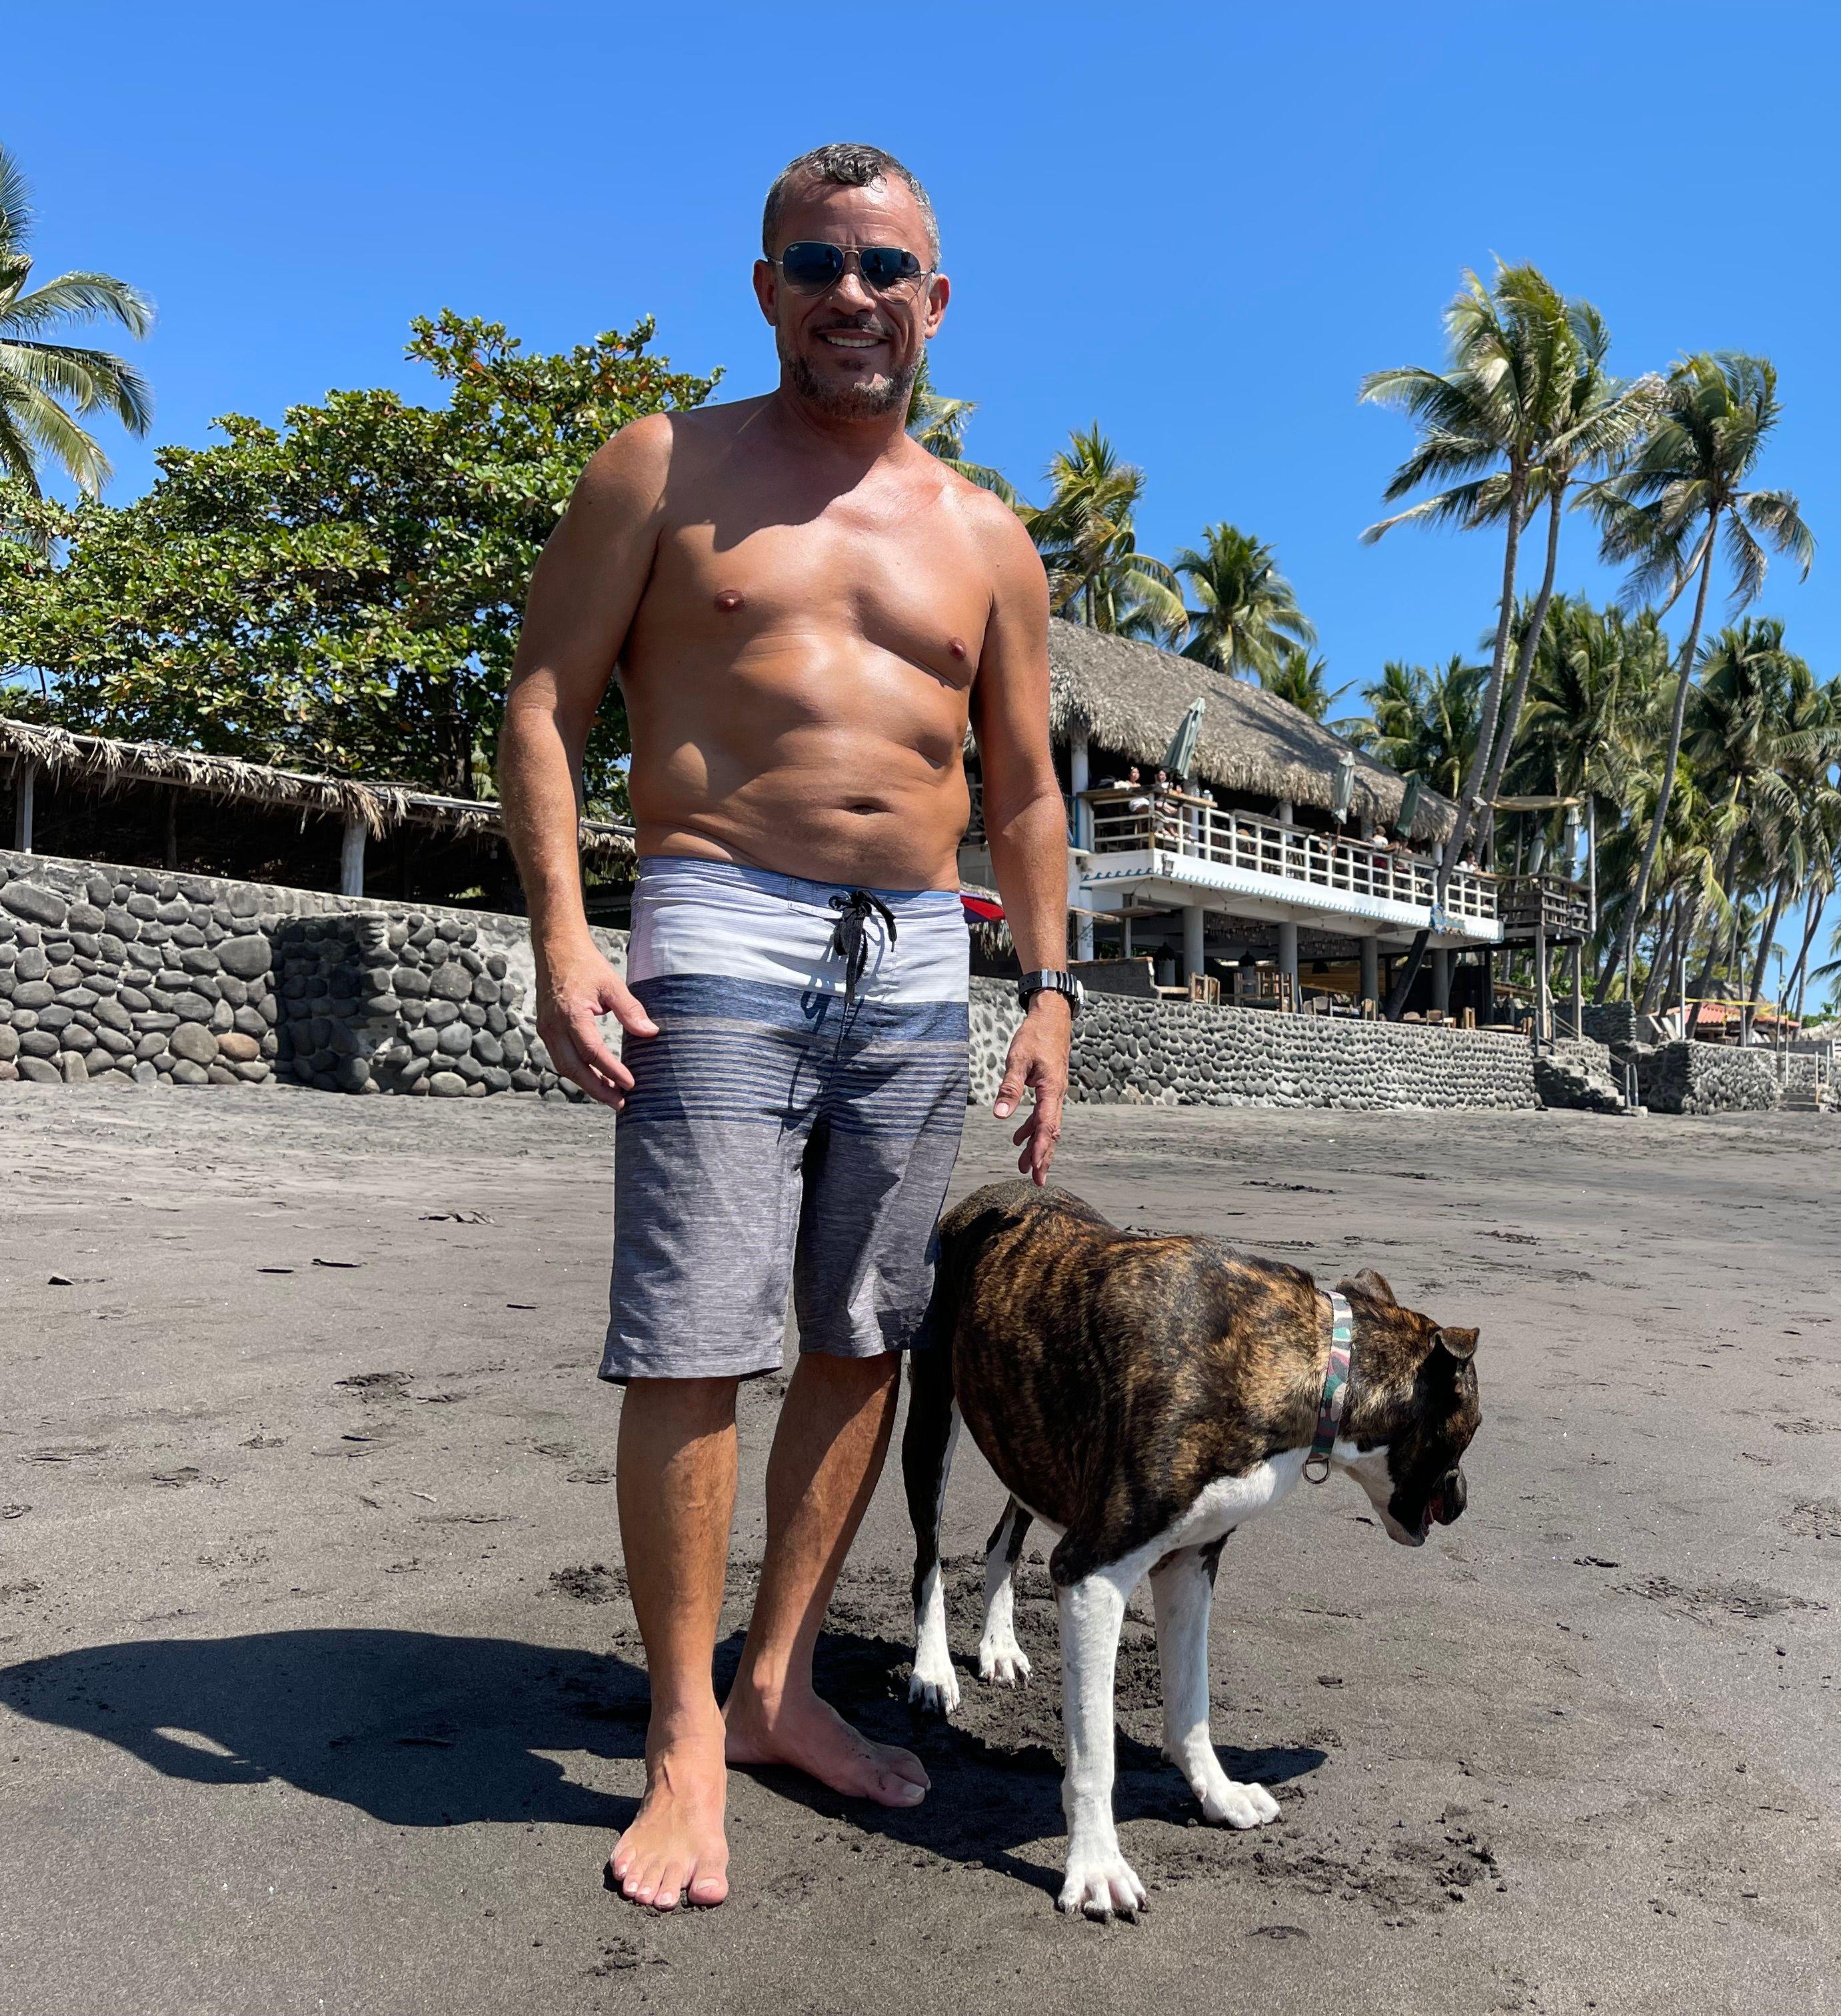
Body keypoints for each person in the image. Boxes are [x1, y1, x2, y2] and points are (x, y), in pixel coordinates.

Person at [499, 142, 1073, 1913]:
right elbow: (540, 703)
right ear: (766, 290)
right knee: (691, 1339)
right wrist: (565, 932)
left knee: (861, 1335)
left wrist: (1047, 991)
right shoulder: (662, 467)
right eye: (816, 263)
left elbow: (1028, 790)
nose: (852, 294)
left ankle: (776, 1686)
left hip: (915, 961)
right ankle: (682, 1744)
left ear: (938, 298)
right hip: (721, 928)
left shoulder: (986, 535)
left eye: (885, 265)